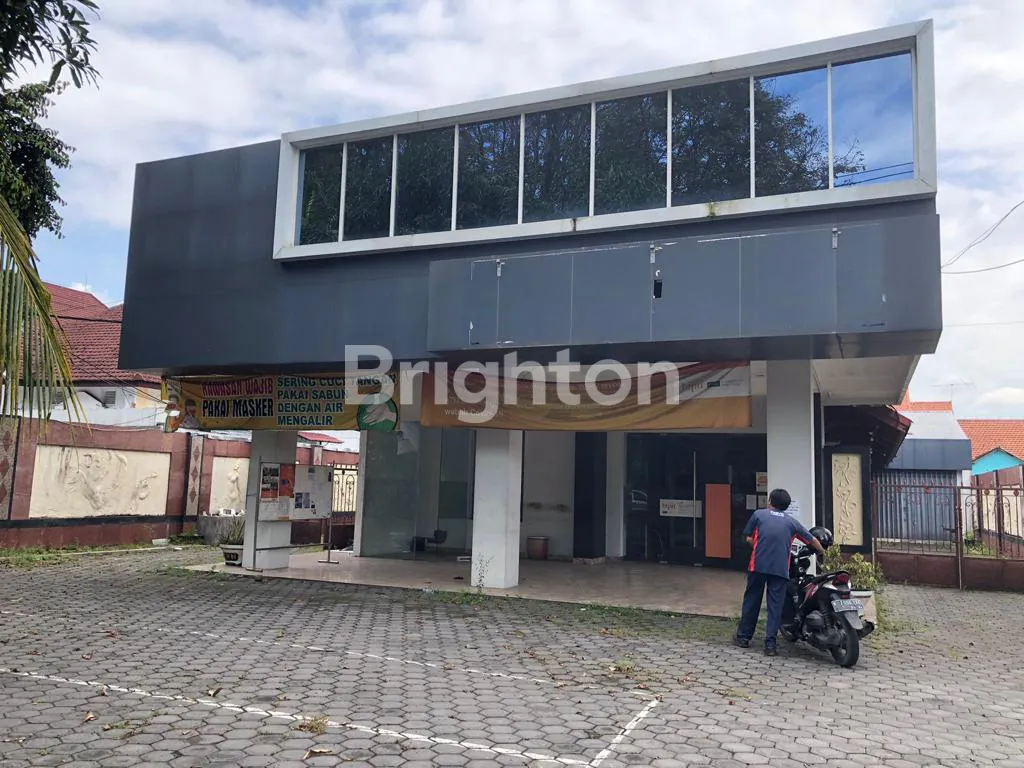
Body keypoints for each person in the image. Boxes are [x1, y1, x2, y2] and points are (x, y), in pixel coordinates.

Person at [734, 487, 825, 656]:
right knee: (775, 607)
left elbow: (748, 537)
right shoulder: (792, 522)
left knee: (752, 601)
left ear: (770, 501)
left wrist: (759, 548)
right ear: (786, 506)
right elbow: (812, 540)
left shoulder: (758, 515)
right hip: (780, 569)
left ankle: (744, 638)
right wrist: (822, 552)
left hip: (758, 566)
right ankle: (770, 645)